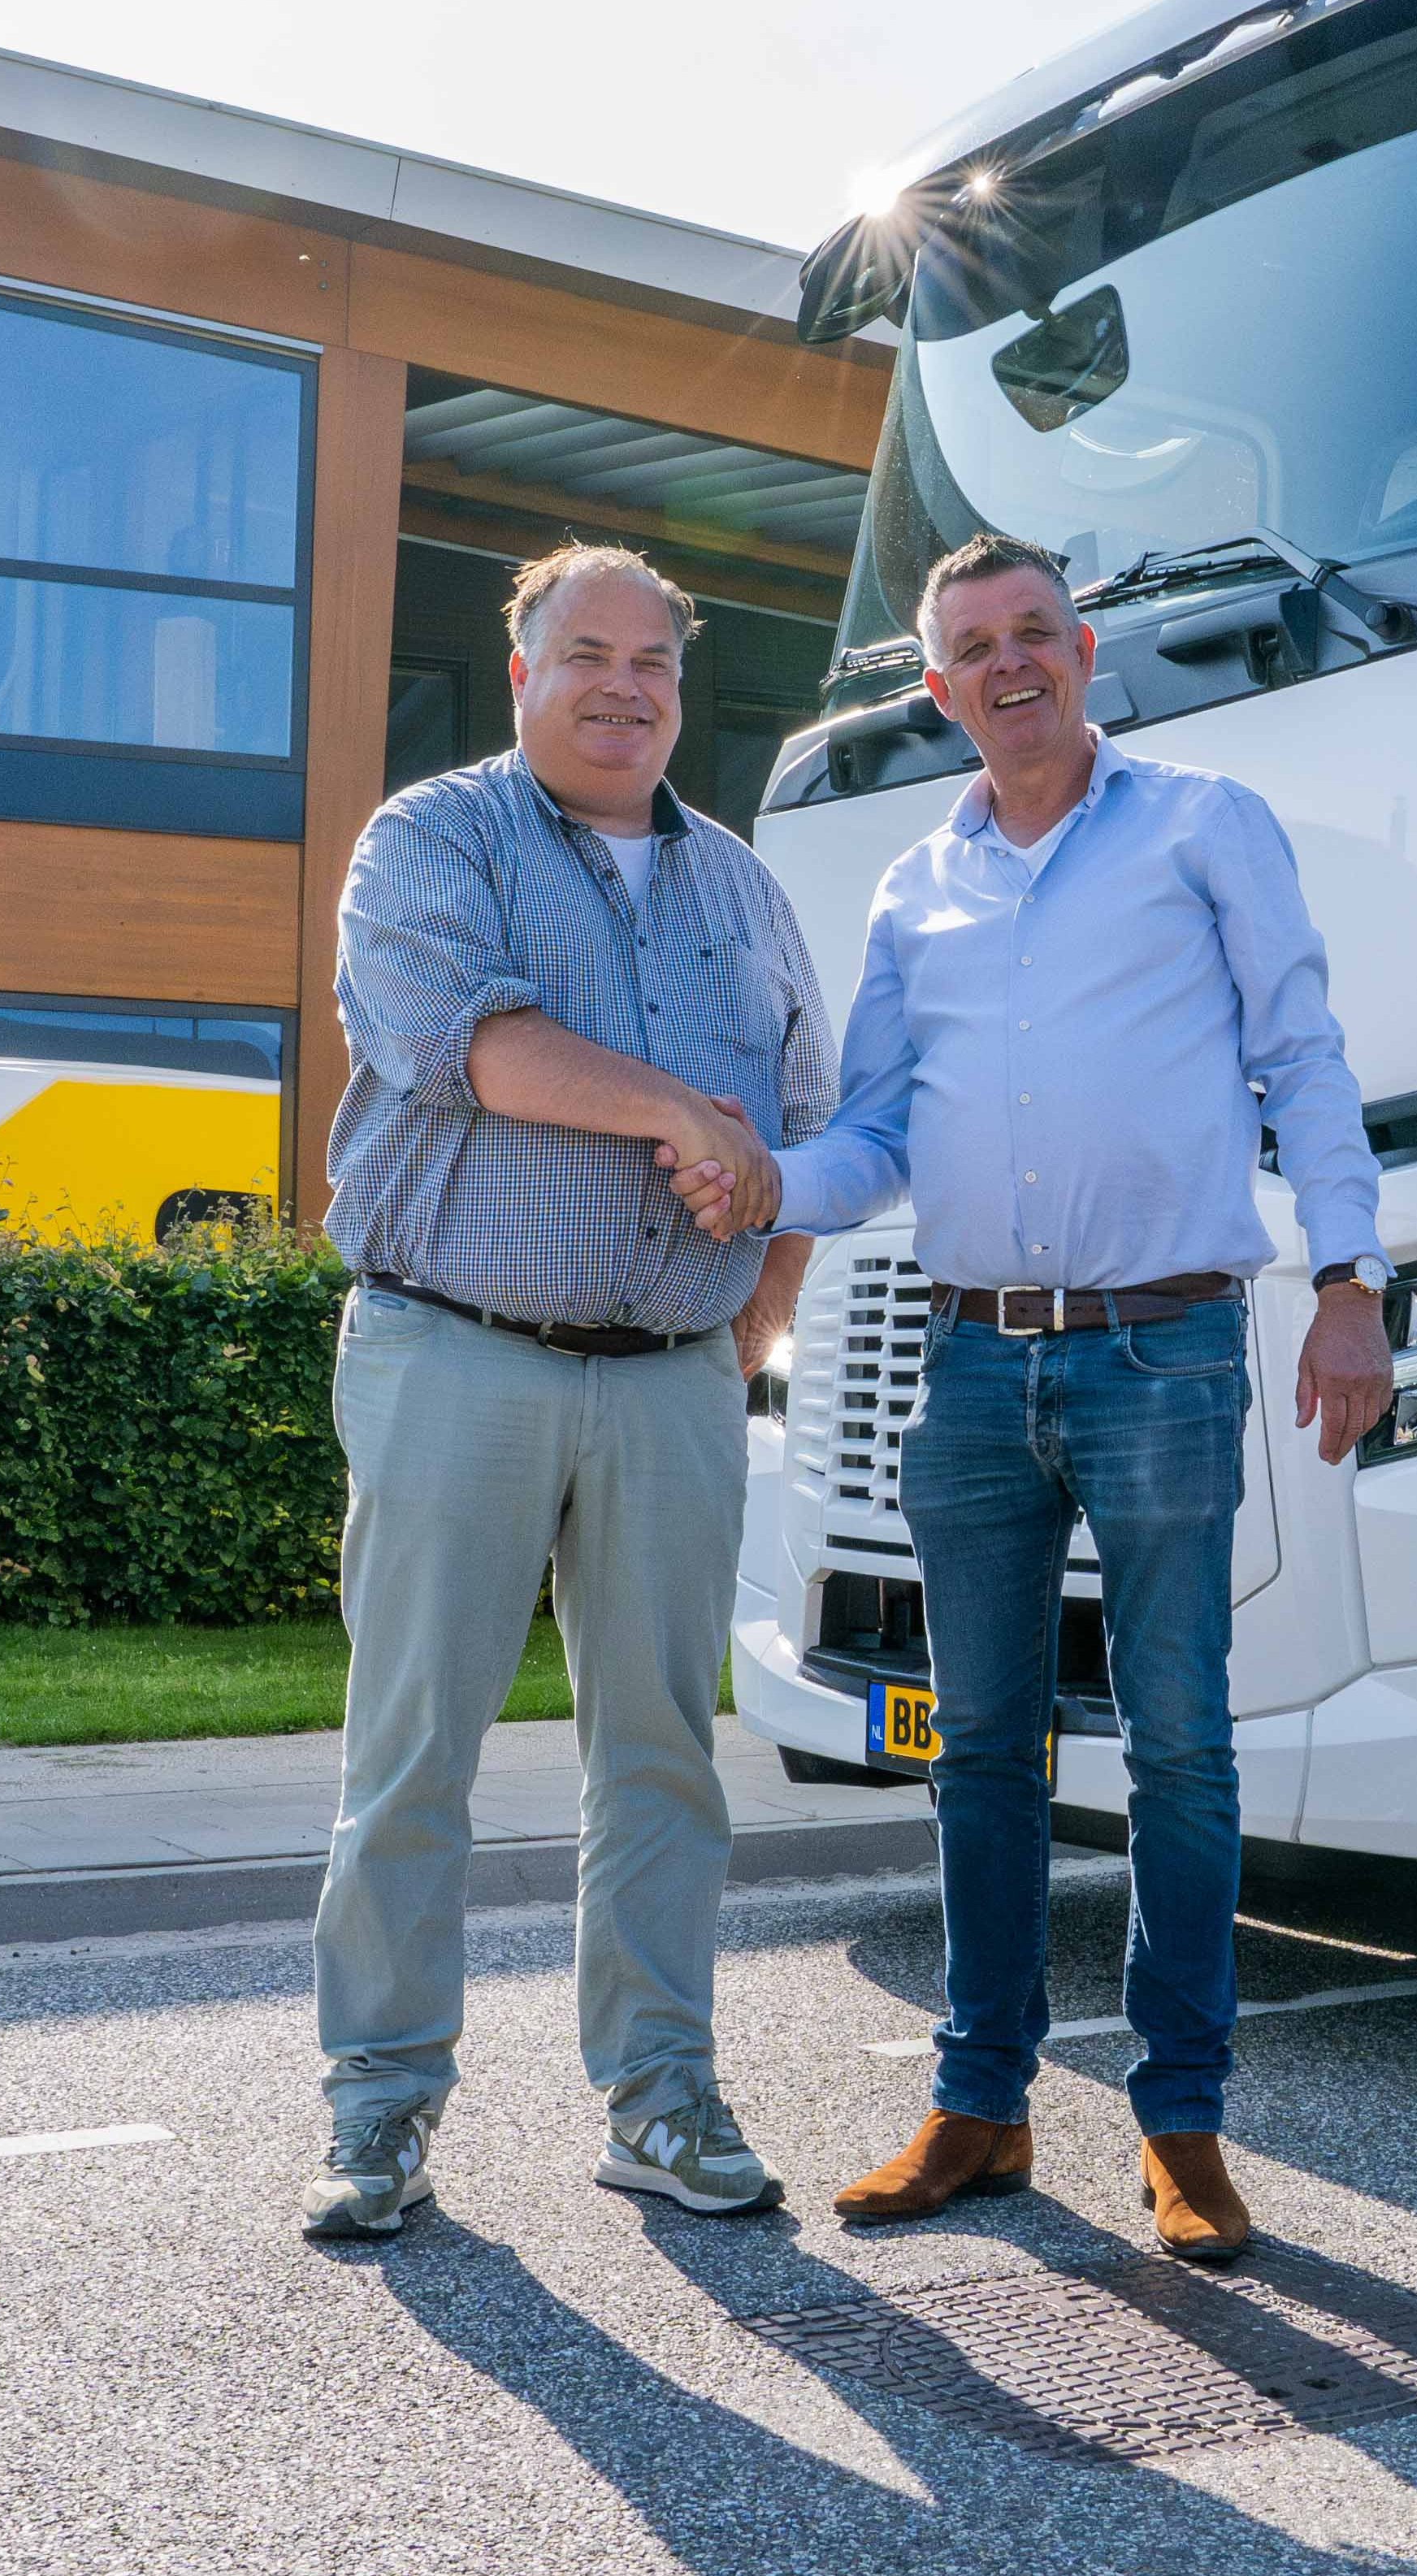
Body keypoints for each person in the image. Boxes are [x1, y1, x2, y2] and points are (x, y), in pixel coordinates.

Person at [775, 534, 1387, 2264]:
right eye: (974, 645)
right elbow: (875, 1131)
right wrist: (761, 1182)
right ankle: (981, 2104)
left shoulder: (1205, 826)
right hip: (971, 1360)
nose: (1010, 662)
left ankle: (1181, 2122)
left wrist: (1352, 1279)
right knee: (979, 1746)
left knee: (1179, 1746)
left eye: (1035, 630)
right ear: (938, 687)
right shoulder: (915, 889)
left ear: (1085, 650)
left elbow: (1302, 1058)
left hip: (1162, 1351)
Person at [294, 545, 825, 2241]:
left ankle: (662, 2098)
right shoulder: (433, 839)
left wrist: (757, 1314)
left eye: (652, 660)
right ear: (521, 672)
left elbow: (803, 1136)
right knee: (413, 1754)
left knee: (665, 1758)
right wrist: (681, 1112)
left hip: (674, 1378)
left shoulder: (744, 890)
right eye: (585, 654)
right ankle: (380, 2109)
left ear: (681, 685)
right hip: (456, 1350)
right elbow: (476, 1044)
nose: (623, 686)